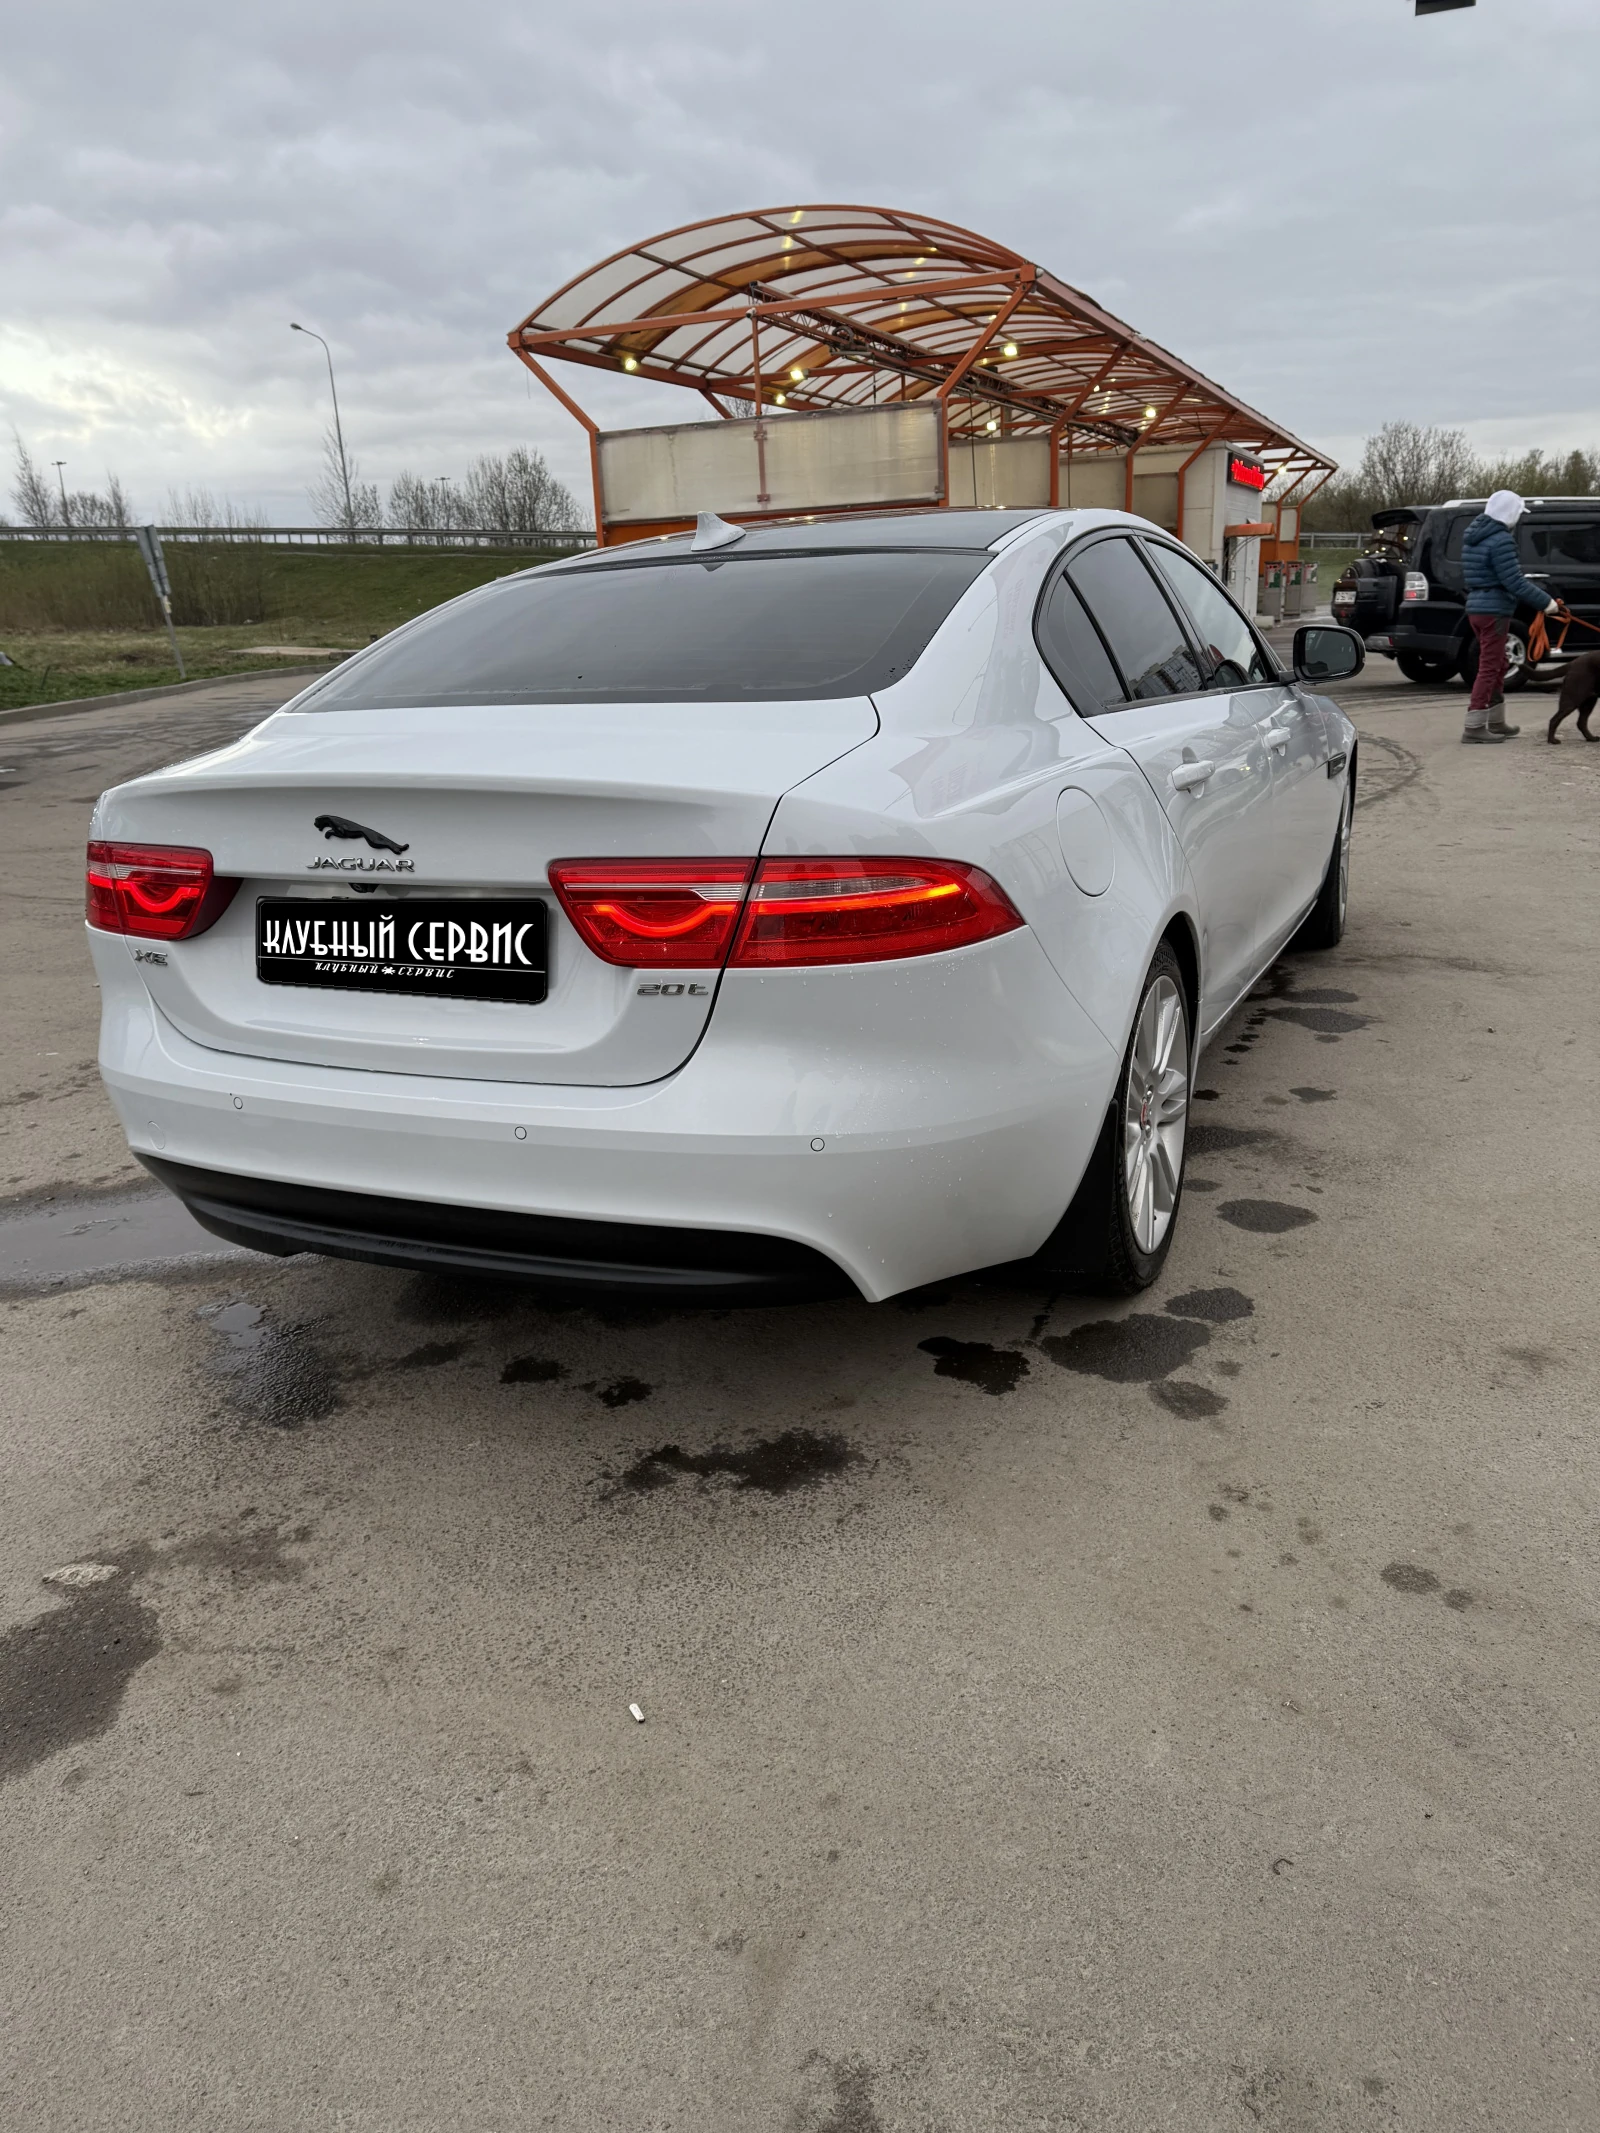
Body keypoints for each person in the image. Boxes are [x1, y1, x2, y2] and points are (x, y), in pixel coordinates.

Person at [1459, 490, 1562, 743]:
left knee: (1499, 663)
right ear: (1510, 513)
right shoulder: (1501, 540)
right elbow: (1514, 581)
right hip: (1494, 610)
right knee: (1489, 667)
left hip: (1477, 608)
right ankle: (1474, 726)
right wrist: (1546, 603)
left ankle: (1496, 721)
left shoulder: (1474, 537)